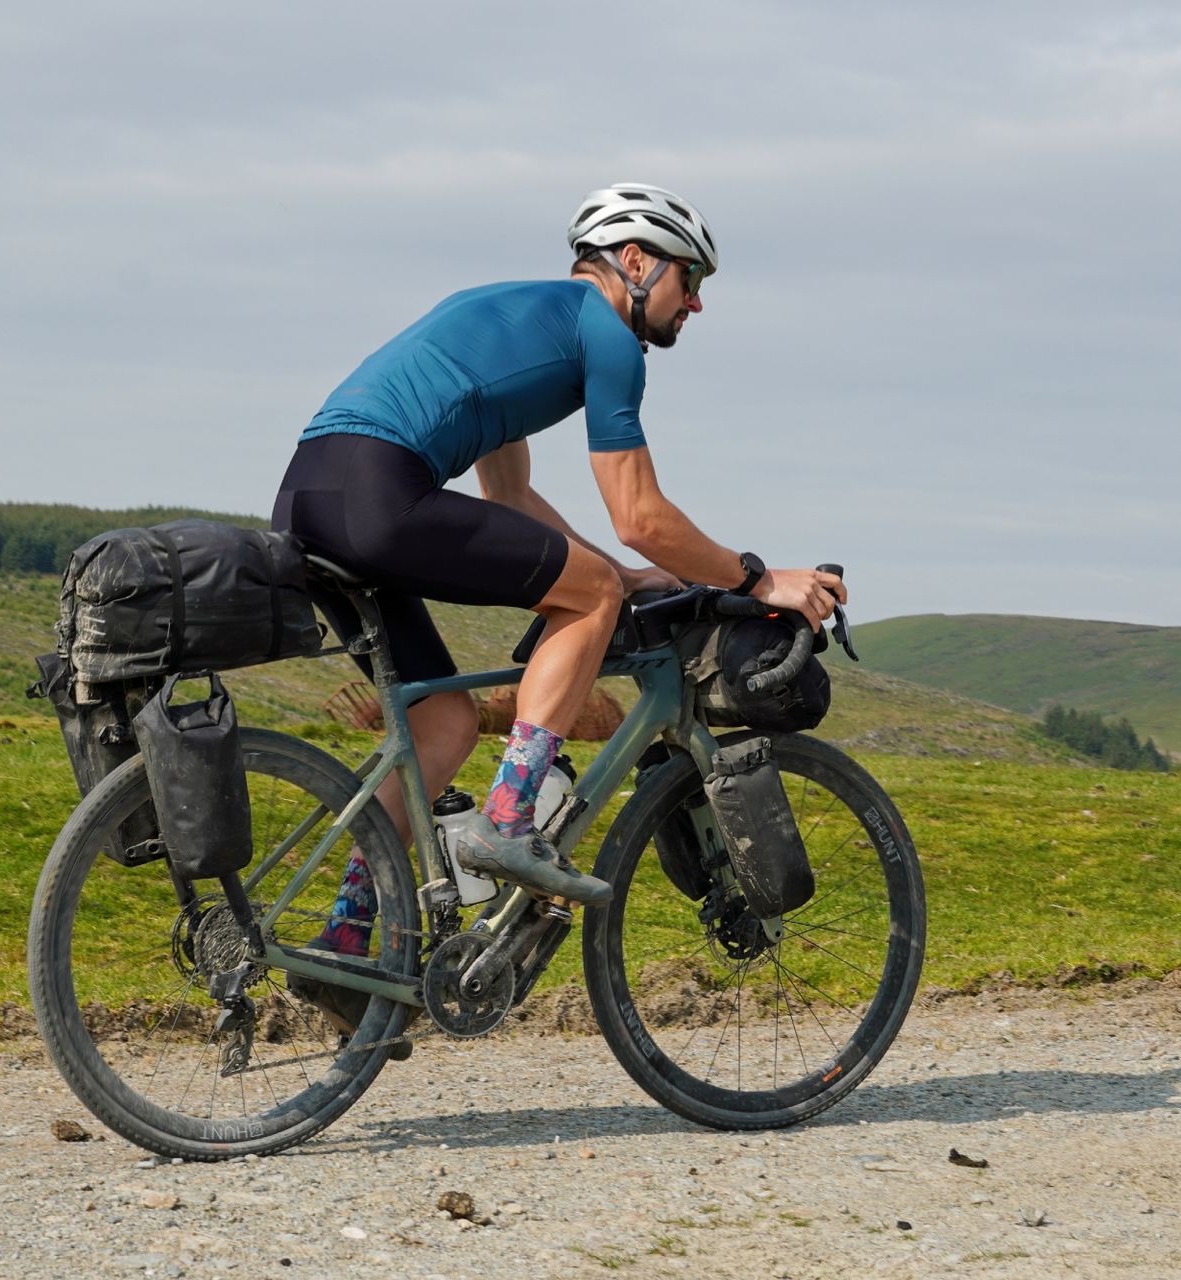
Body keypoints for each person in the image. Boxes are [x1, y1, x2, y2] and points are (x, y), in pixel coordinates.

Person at [271, 183, 846, 1013]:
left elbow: (508, 504)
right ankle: (510, 819)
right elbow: (642, 513)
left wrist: (623, 566)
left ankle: (345, 938)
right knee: (592, 597)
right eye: (691, 280)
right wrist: (757, 577)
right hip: (376, 489)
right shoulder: (604, 334)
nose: (697, 304)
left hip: (314, 493)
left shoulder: (515, 321)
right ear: (635, 263)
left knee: (444, 724)